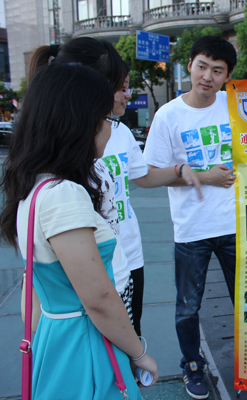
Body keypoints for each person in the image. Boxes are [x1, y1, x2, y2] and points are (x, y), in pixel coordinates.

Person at [0, 63, 158, 398]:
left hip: (56, 336)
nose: (109, 127)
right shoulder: (65, 195)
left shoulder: (33, 188)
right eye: (106, 118)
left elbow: (33, 298)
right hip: (86, 341)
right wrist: (139, 353)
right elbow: (99, 298)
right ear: (81, 123)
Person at [27, 38, 202, 334]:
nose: (126, 95)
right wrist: (139, 353)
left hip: (125, 258)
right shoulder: (57, 172)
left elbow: (142, 175)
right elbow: (89, 299)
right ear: (88, 86)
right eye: (120, 87)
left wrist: (179, 170)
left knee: (127, 336)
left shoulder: (117, 132)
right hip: (88, 270)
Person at [143, 35, 237, 400]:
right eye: (202, 66)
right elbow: (151, 174)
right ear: (190, 66)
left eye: (218, 70)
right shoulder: (168, 115)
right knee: (187, 306)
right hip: (191, 228)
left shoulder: (236, 105)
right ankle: (193, 365)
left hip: (235, 225)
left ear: (228, 76)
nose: (207, 77)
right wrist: (204, 175)